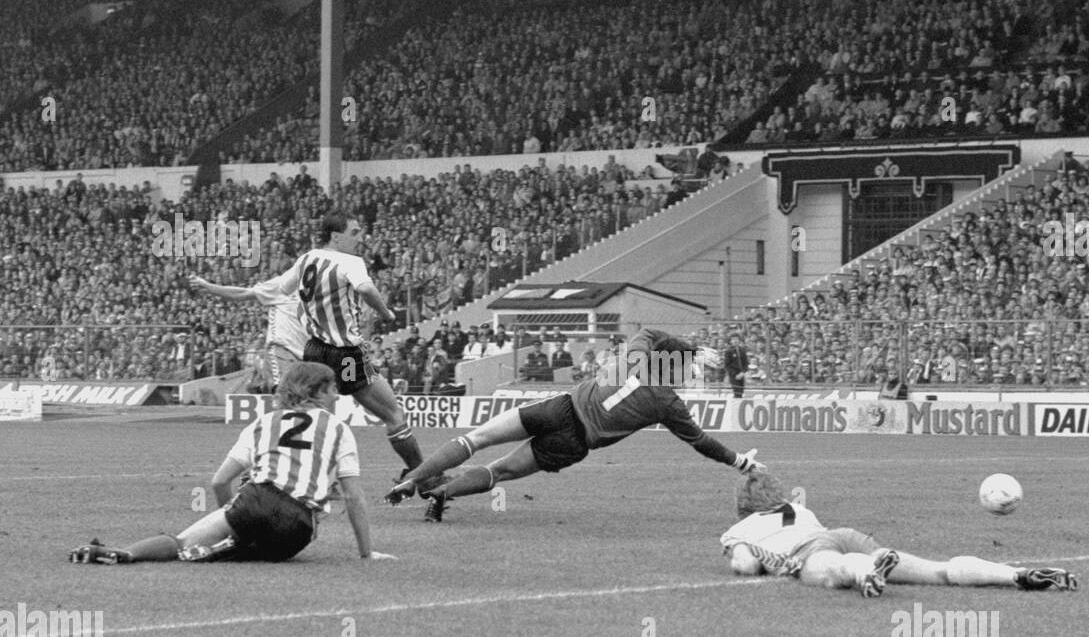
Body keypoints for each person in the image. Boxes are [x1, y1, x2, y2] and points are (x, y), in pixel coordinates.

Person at [386, 329, 754, 522]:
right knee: (500, 472)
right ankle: (442, 495)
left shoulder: (639, 356)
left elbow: (651, 332)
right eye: (689, 371)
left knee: (476, 438)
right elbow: (702, 442)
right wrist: (741, 462)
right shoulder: (669, 404)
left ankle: (414, 478)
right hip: (574, 441)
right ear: (673, 367)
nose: (690, 379)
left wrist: (689, 347)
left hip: (560, 408)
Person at [68, 362, 396, 564]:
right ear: (316, 391)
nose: (337, 396)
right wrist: (367, 554)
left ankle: (127, 553)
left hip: (255, 502)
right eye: (332, 389)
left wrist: (233, 515)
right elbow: (353, 496)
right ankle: (234, 547)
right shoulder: (338, 428)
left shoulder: (264, 422)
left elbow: (219, 481)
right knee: (258, 548)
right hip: (298, 529)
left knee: (182, 542)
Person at [268, 211, 429, 487]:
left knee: (309, 417)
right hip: (346, 356)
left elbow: (284, 288)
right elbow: (366, 289)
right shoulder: (350, 261)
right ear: (335, 236)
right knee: (393, 415)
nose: (360, 237)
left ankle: (282, 473)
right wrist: (386, 313)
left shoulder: (306, 258)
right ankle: (425, 477)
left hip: (315, 352)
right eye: (354, 232)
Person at [722, 473, 1078, 597]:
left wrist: (738, 551)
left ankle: (866, 572)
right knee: (938, 572)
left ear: (743, 505)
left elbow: (748, 566)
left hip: (809, 549)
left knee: (833, 572)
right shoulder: (797, 509)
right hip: (842, 532)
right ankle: (1013, 574)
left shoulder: (740, 529)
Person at [189, 268, 307, 389]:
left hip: (309, 354)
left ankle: (259, 381)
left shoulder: (322, 292)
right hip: (283, 349)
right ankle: (261, 379)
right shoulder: (281, 285)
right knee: (284, 391)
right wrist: (207, 286)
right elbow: (242, 293)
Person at [723, 333, 749, 398]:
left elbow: (746, 363)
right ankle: (735, 406)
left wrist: (743, 372)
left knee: (741, 392)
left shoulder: (742, 350)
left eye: (736, 339)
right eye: (733, 339)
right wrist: (735, 374)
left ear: (739, 340)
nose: (735, 341)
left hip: (742, 374)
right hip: (734, 375)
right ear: (730, 341)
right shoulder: (728, 351)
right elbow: (727, 365)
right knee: (737, 392)